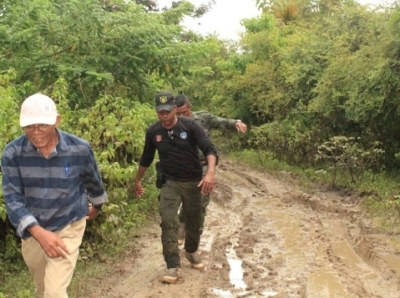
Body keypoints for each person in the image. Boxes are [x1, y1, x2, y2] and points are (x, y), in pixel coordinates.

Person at [1, 93, 107, 298]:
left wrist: (97, 205)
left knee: (55, 292)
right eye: (30, 127)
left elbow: (93, 181)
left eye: (42, 126)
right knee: (42, 290)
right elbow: (13, 200)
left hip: (68, 224)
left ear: (57, 121)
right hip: (33, 231)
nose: (36, 132)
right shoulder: (12, 153)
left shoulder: (79, 149)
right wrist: (39, 233)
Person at [134, 91, 218, 284]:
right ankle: (173, 265)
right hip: (169, 183)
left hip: (193, 182)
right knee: (168, 221)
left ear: (174, 109)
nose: (164, 116)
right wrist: (138, 180)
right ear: (156, 112)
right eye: (160, 112)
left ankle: (191, 251)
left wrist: (210, 173)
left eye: (167, 111)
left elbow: (209, 149)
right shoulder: (153, 131)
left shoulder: (191, 126)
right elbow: (146, 157)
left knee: (193, 222)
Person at [174, 93, 247, 245]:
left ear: (190, 107)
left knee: (201, 202)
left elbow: (221, 121)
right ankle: (182, 224)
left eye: (184, 112)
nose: (182, 116)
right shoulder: (171, 123)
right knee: (187, 199)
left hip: (203, 167)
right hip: (183, 169)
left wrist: (236, 123)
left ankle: (194, 238)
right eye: (178, 113)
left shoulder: (203, 118)